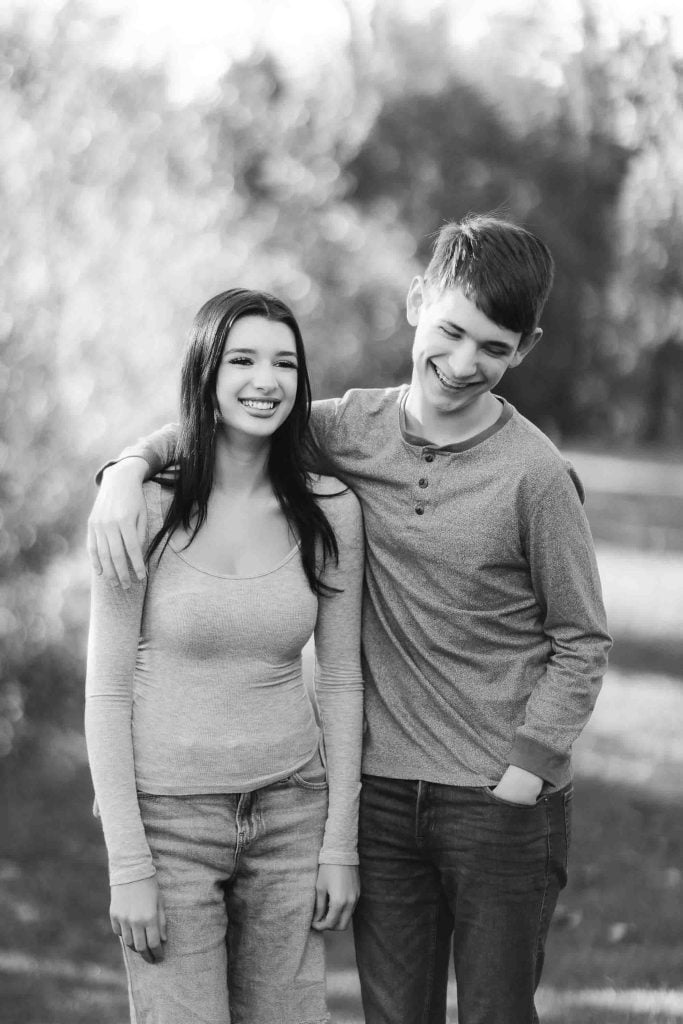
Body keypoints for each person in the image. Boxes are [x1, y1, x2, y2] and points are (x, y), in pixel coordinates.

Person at [88, 215, 612, 1024]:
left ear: (524, 349)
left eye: (494, 348)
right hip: (383, 794)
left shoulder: (535, 475)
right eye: (450, 332)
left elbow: (581, 639)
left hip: (495, 799)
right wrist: (126, 467)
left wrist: (525, 770)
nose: (464, 363)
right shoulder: (346, 429)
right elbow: (235, 415)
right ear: (415, 305)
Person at [85, 288, 364, 1024]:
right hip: (169, 825)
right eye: (241, 359)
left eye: (285, 363)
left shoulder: (330, 508)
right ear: (205, 375)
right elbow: (106, 692)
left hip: (289, 815)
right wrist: (128, 864)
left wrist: (339, 846)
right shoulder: (140, 509)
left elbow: (339, 680)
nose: (264, 381)